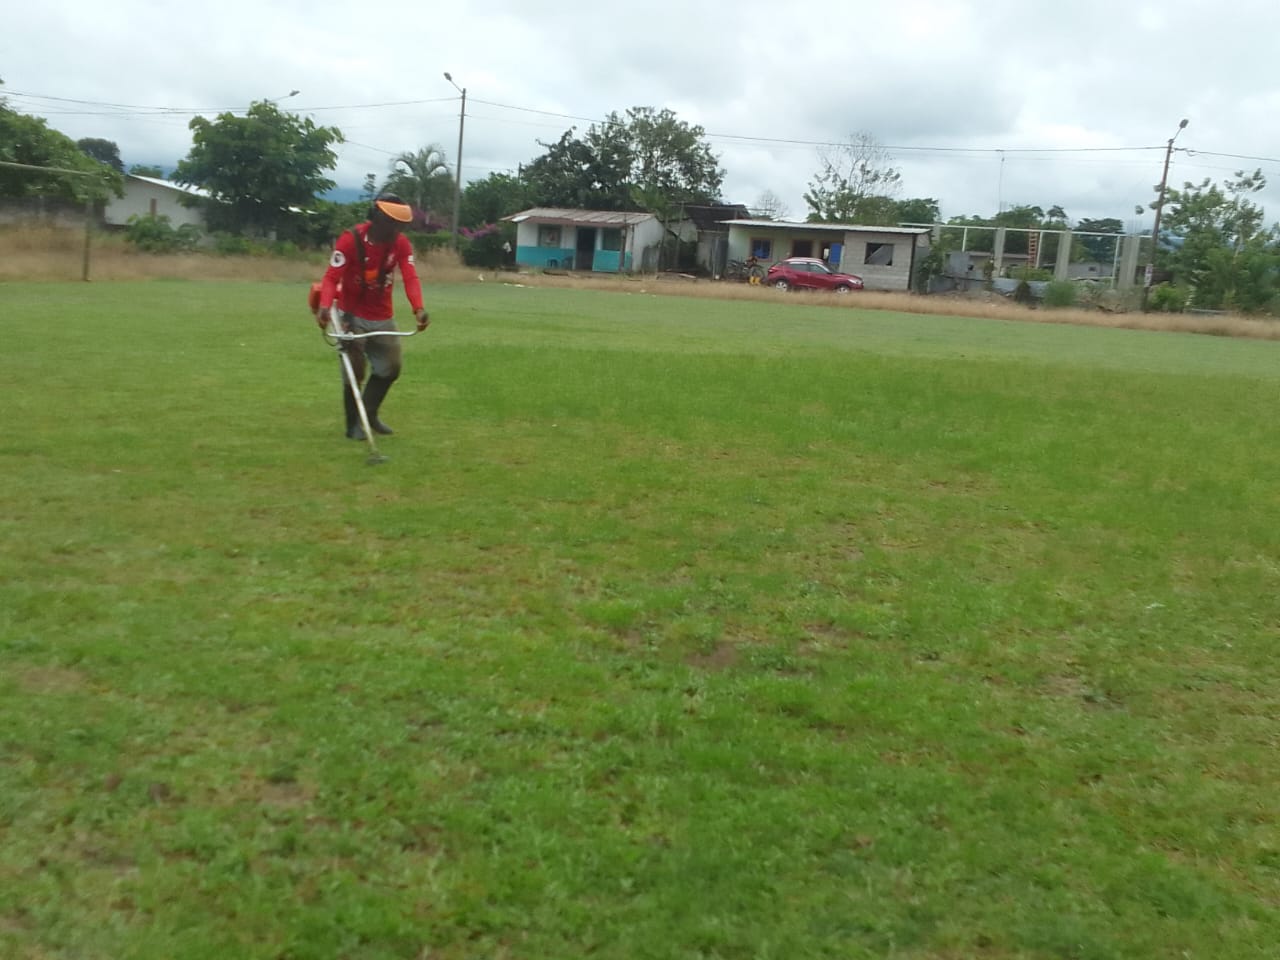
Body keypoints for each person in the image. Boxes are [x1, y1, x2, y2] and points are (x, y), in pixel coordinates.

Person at [314, 194, 430, 439]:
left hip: (382, 315)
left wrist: (418, 309)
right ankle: (353, 425)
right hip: (351, 315)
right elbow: (331, 278)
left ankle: (370, 415)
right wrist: (324, 306)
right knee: (354, 371)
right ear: (376, 217)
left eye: (401, 226)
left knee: (391, 368)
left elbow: (410, 276)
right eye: (391, 223)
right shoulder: (350, 239)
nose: (396, 230)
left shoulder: (401, 244)